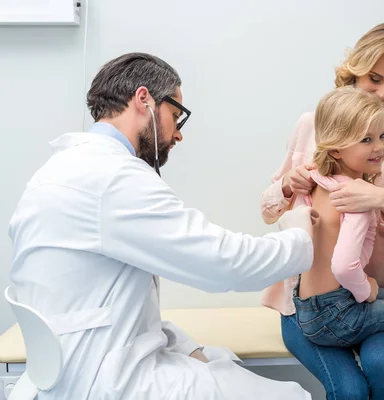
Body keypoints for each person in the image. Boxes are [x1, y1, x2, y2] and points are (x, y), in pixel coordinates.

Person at [7, 52, 317, 399]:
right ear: (144, 99)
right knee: (294, 395)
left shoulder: (57, 170)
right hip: (106, 381)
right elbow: (223, 263)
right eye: (175, 115)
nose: (177, 134)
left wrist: (184, 346)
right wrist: (301, 237)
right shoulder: (113, 178)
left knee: (220, 362)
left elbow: (109, 305)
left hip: (71, 368)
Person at [261, 23, 384, 400]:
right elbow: (268, 212)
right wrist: (286, 187)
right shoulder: (312, 126)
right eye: (375, 79)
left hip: (373, 299)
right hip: (306, 302)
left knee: (382, 365)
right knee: (348, 389)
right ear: (355, 71)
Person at [291, 86, 384, 400]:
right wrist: (367, 290)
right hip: (338, 313)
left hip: (308, 304)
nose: (380, 148)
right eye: (366, 140)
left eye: (382, 136)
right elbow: (345, 267)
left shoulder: (319, 177)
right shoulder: (357, 198)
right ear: (335, 149)